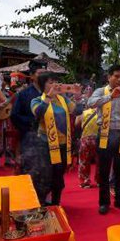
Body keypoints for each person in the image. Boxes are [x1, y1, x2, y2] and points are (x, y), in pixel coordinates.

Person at [87, 64, 120, 215]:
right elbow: (90, 103)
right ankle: (104, 202)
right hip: (105, 135)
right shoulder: (101, 91)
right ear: (109, 77)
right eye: (116, 76)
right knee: (104, 171)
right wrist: (110, 96)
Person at [29, 72, 74, 206]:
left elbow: (75, 111)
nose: (54, 84)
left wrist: (76, 96)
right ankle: (41, 203)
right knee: (44, 176)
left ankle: (56, 203)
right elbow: (38, 113)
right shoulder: (36, 100)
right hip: (45, 145)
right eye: (50, 82)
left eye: (56, 81)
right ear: (43, 85)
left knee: (58, 177)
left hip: (63, 144)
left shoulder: (63, 100)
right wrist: (48, 97)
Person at [76, 106, 99, 188]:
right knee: (100, 161)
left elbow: (76, 123)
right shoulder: (104, 112)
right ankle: (100, 180)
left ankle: (85, 181)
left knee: (84, 161)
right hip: (99, 140)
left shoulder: (84, 112)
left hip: (85, 139)